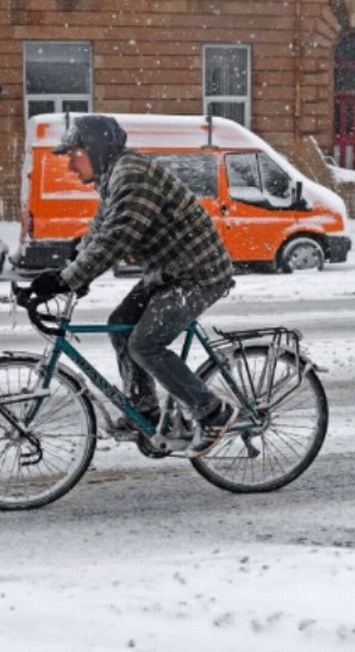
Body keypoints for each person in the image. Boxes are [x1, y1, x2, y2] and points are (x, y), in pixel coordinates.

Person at [28, 114, 237, 455]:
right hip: (168, 272)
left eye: (73, 155)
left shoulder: (132, 175)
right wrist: (71, 269)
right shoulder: (114, 176)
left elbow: (117, 238)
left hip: (198, 274)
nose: (69, 165)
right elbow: (99, 232)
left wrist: (67, 280)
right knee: (120, 324)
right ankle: (146, 409)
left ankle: (212, 411)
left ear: (94, 149)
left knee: (146, 344)